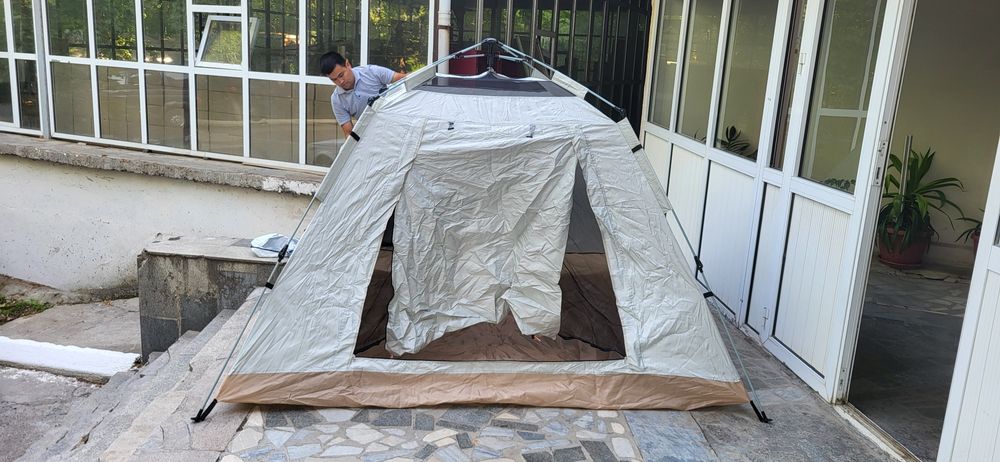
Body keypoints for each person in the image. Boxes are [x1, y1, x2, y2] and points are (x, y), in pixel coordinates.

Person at [319, 51, 406, 137]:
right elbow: (349, 133)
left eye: (341, 75)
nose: (340, 81)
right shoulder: (337, 100)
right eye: (334, 80)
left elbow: (405, 79)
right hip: (375, 135)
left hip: (399, 119)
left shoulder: (372, 72)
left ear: (348, 64)